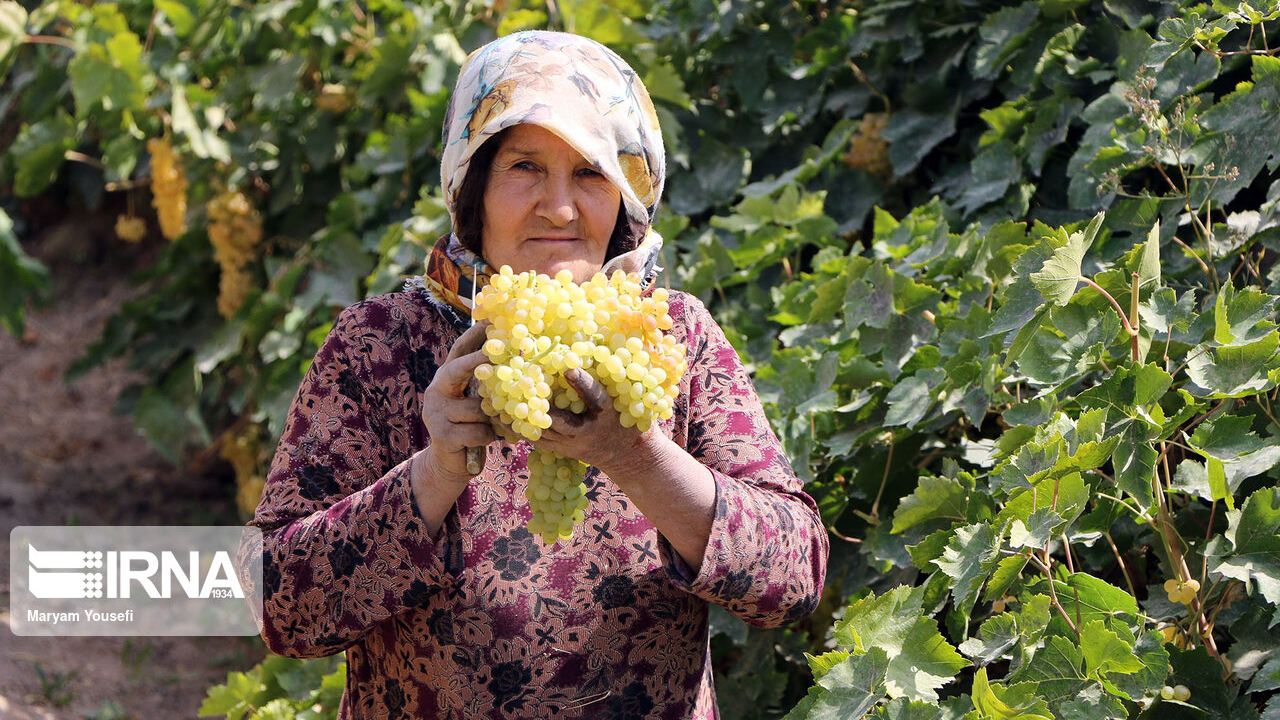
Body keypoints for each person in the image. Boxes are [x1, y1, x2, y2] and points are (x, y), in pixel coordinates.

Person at [245, 30, 828, 719]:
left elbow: (794, 579)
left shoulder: (674, 339)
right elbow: (279, 605)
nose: (560, 207)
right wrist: (431, 478)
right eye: (525, 167)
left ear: (627, 193)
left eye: (590, 172)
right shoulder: (380, 346)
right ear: (474, 186)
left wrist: (636, 458)